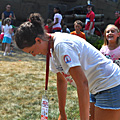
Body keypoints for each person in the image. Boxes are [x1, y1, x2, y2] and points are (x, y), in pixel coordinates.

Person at [14, 13, 120, 120]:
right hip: (95, 87)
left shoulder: (61, 45)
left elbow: (82, 83)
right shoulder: (51, 48)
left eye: (32, 51)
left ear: (38, 40)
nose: (34, 54)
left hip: (109, 84)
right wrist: (62, 113)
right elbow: (61, 80)